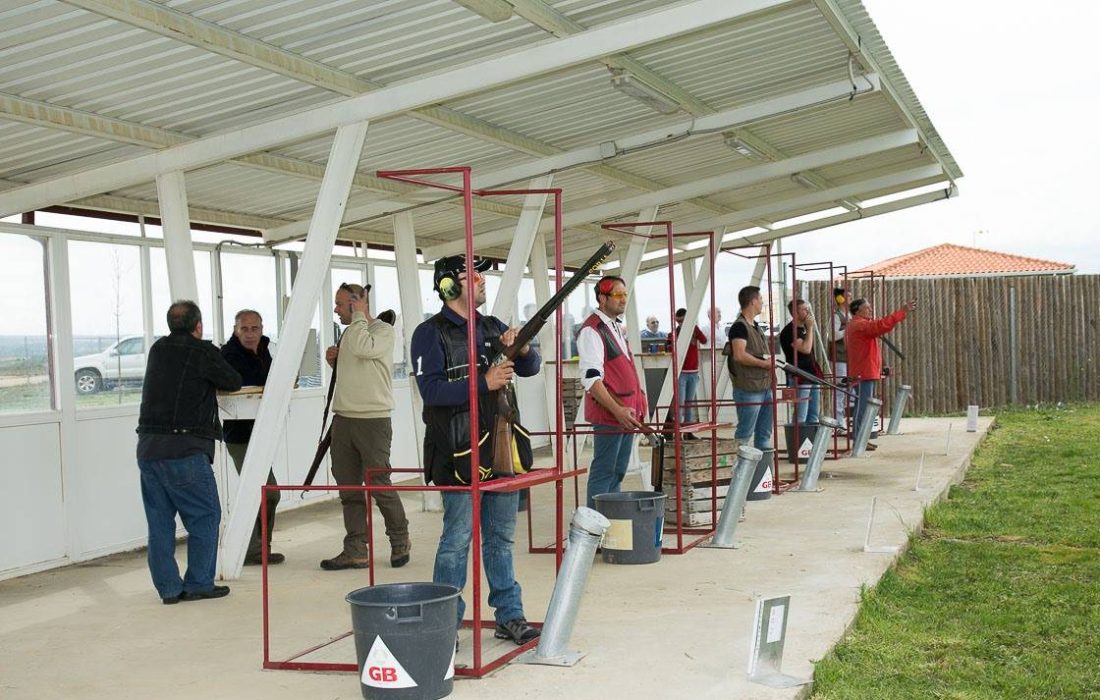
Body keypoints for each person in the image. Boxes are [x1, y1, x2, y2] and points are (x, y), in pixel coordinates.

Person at [410, 255, 541, 646]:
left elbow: (531, 366)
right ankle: (443, 621)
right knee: (456, 539)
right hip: (456, 453)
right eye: (472, 276)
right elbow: (431, 392)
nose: (482, 281)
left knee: (501, 538)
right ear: (449, 287)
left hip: (501, 447)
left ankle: (510, 615)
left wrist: (521, 347)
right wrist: (483, 382)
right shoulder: (428, 333)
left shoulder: (492, 326)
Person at [136, 301, 242, 604]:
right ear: (198, 326)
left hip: (148, 448)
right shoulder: (202, 351)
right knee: (206, 516)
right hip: (184, 448)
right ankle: (198, 584)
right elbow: (232, 380)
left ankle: (169, 589)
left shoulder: (157, 349)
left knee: (159, 523)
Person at [321, 282, 410, 570]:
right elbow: (360, 367)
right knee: (349, 489)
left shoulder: (382, 330)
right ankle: (356, 548)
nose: (335, 309)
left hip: (373, 420)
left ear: (356, 303)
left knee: (379, 483)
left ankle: (399, 540)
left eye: (340, 303)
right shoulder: (351, 333)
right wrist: (337, 361)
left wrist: (360, 316)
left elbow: (364, 349)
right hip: (344, 420)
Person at [576, 276, 647, 508]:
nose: (623, 300)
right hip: (611, 415)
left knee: (616, 471)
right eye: (617, 295)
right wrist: (617, 410)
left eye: (625, 295)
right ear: (602, 298)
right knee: (605, 471)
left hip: (623, 414)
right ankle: (595, 529)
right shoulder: (592, 330)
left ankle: (610, 522)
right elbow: (591, 379)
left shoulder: (612, 326)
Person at [220, 309, 283, 565]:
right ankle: (251, 548)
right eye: (244, 329)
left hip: (262, 432)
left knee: (266, 492)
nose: (249, 334)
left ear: (261, 328)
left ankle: (259, 548)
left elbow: (270, 380)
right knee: (266, 492)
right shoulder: (227, 355)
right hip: (240, 434)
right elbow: (233, 385)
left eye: (254, 328)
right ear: (235, 329)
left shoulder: (264, 349)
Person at [846, 297, 917, 450]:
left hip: (865, 371)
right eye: (867, 307)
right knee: (862, 406)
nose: (870, 310)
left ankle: (861, 439)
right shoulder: (859, 324)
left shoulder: (858, 324)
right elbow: (881, 326)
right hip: (863, 372)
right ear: (858, 310)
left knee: (863, 406)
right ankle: (859, 440)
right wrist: (901, 312)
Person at [727, 286, 774, 451]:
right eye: (760, 299)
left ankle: (762, 472)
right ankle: (739, 472)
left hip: (764, 386)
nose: (762, 303)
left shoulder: (756, 326)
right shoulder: (739, 327)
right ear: (753, 301)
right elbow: (739, 355)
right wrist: (764, 364)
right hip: (749, 388)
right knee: (745, 433)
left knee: (764, 433)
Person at [779, 299, 820, 425]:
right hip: (799, 375)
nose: (808, 312)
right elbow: (806, 349)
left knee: (813, 415)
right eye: (804, 309)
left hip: (811, 373)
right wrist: (811, 328)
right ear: (795, 313)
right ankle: (798, 442)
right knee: (801, 416)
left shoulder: (802, 329)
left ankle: (811, 442)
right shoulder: (789, 331)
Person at [666, 307, 708, 428]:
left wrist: (694, 331)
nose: (680, 323)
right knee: (681, 403)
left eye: (682, 321)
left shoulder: (693, 330)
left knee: (688, 404)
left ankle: (688, 430)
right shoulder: (674, 333)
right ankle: (680, 430)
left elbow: (704, 340)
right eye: (678, 321)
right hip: (682, 372)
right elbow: (668, 347)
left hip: (692, 372)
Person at [831, 288, 850, 421]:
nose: (850, 299)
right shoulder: (836, 316)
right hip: (839, 358)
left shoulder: (849, 316)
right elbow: (832, 336)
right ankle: (838, 422)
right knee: (840, 391)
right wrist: (848, 330)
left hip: (848, 358)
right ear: (840, 299)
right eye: (847, 297)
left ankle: (845, 420)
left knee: (849, 391)